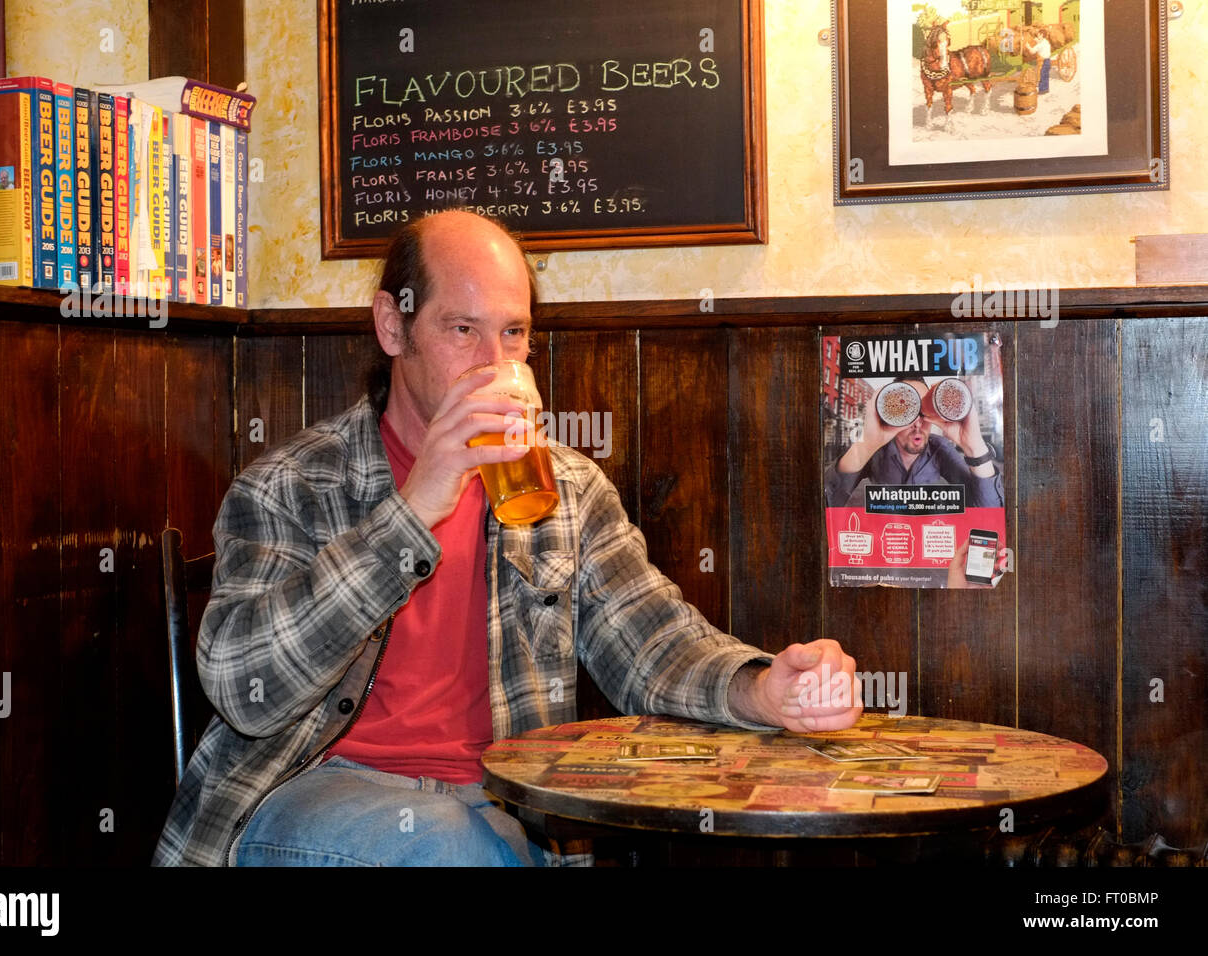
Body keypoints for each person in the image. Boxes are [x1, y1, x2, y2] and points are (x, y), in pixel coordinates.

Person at [153, 209, 863, 867]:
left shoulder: (567, 489)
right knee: (457, 848)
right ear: (392, 327)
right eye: (463, 329)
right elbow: (243, 691)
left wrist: (762, 690)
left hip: (504, 799)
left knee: (492, 844)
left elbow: (654, 645)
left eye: (514, 332)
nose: (495, 361)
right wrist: (415, 507)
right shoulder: (291, 485)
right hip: (313, 793)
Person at [824, 377, 1004, 510]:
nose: (917, 423)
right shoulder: (875, 451)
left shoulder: (939, 449)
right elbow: (822, 507)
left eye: (923, 412)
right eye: (907, 412)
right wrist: (867, 445)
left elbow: (989, 510)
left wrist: (974, 446)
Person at [1026, 30, 1052, 94]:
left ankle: (1042, 90)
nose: (1037, 35)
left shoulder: (1040, 45)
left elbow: (1032, 51)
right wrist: (1037, 41)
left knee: (1041, 75)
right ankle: (1046, 89)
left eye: (1039, 35)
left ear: (1042, 35)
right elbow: (1040, 43)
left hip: (1043, 61)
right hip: (1048, 60)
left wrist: (1028, 46)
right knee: (1046, 75)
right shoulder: (1045, 41)